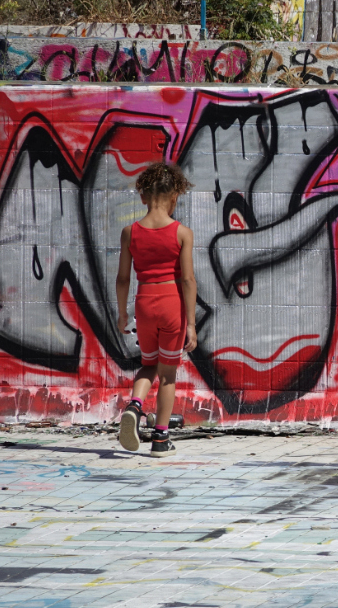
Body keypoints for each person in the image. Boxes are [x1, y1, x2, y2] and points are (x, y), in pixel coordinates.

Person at [115, 163, 197, 457]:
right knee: (168, 374)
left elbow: (123, 278)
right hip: (171, 304)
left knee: (148, 364)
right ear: (175, 196)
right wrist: (191, 325)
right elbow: (187, 279)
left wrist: (123, 314)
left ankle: (135, 406)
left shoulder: (130, 232)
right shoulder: (182, 233)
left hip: (144, 303)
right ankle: (160, 439)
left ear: (143, 197)